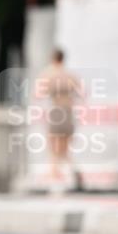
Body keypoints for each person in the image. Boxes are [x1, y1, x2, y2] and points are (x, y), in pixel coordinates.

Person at [35, 48, 83, 190]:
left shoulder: (48, 74)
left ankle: (54, 178)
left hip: (56, 111)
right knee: (65, 148)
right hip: (68, 111)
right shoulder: (70, 75)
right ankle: (73, 170)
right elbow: (82, 92)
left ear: (52, 59)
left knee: (53, 147)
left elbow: (38, 94)